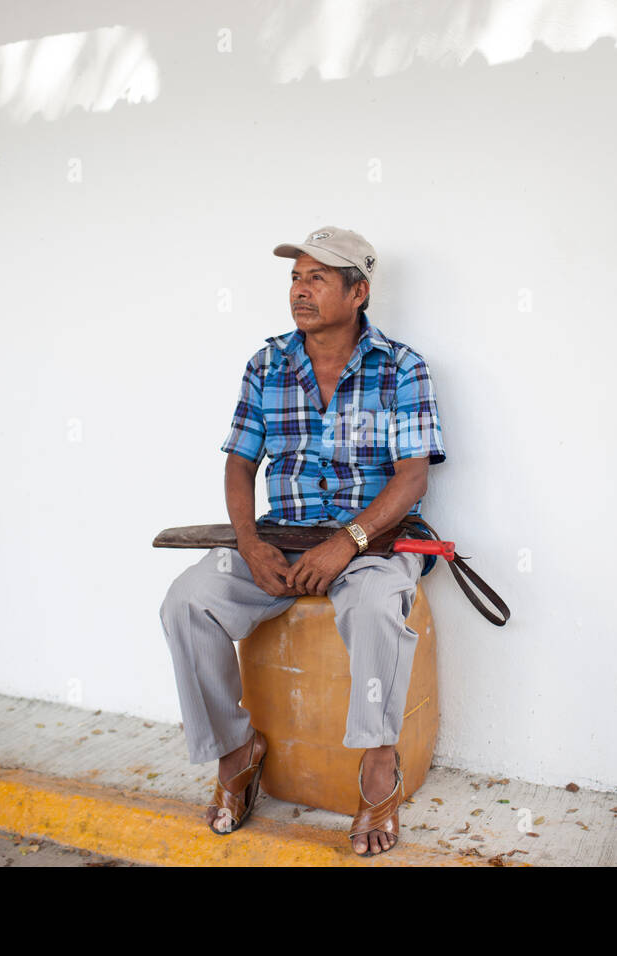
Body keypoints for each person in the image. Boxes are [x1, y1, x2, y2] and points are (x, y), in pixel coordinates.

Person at [159, 226, 446, 855]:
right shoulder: (266, 363)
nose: (300, 290)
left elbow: (412, 476)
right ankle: (238, 754)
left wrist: (347, 540)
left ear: (359, 290)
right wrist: (250, 543)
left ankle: (377, 768)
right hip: (278, 537)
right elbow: (240, 464)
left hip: (373, 542)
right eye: (296, 277)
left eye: (318, 278)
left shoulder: (402, 367)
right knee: (186, 600)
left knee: (373, 607)